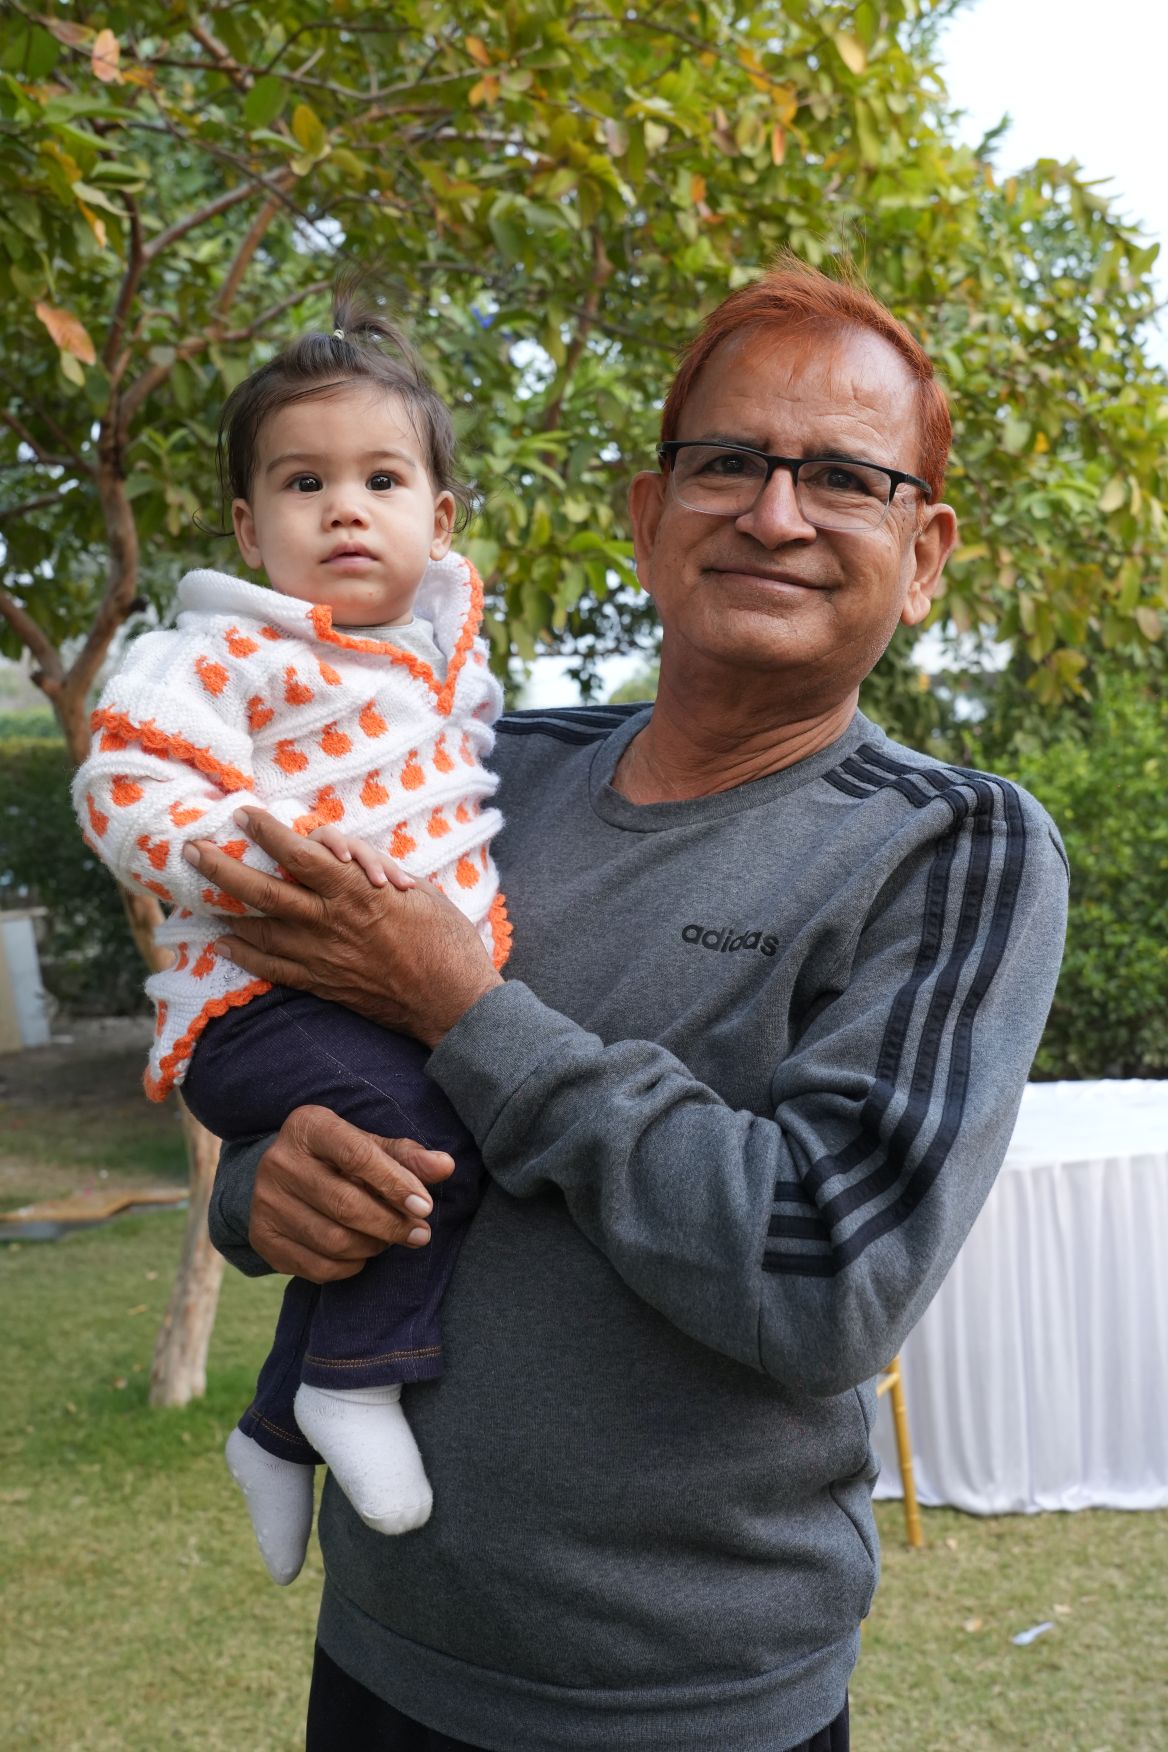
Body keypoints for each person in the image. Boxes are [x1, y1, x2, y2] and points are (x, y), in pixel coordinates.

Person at [201, 259, 1069, 1752]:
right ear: (651, 516)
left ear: (923, 554)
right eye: (728, 462)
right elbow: (282, 1043)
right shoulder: (472, 774)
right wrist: (261, 1193)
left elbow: (827, 1278)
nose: (775, 514)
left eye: (844, 477)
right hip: (381, 1658)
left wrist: (466, 1005)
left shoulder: (950, 848)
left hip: (688, 1708)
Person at [72, 294, 511, 1585]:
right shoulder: (218, 650)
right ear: (248, 526)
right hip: (257, 1003)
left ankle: (273, 1430)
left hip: (371, 1012)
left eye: (382, 479)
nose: (343, 509)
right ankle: (350, 1389)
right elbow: (126, 787)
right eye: (303, 482)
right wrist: (278, 865)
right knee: (433, 1143)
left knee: (380, 1177)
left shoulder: (436, 675)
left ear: (441, 519)